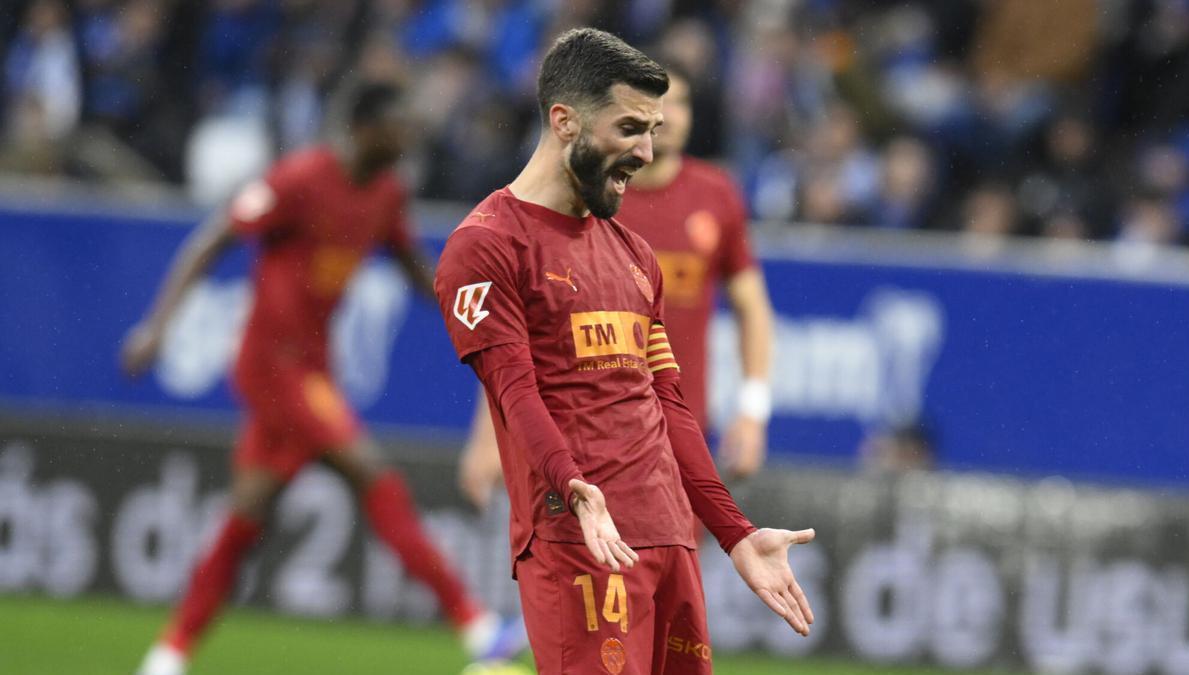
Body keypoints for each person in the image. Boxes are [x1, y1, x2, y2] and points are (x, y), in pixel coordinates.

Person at [434, 29, 815, 675]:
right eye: (632, 128)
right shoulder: (486, 247)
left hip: (669, 539)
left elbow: (669, 404)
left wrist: (734, 531)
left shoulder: (636, 256)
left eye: (655, 128)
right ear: (564, 121)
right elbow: (514, 389)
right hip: (582, 540)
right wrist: (573, 486)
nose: (648, 149)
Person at [119, 82, 523, 675]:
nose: (409, 138)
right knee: (371, 471)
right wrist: (157, 327)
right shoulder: (299, 179)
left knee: (246, 516)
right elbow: (213, 241)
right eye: (398, 126)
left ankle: (168, 654)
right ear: (363, 129)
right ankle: (475, 624)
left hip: (312, 369)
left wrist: (468, 308)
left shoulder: (386, 193)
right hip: (270, 365)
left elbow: (412, 264)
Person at [457, 60, 776, 511]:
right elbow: (518, 327)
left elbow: (753, 308)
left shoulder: (716, 195)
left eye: (682, 103)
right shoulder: (588, 197)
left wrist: (752, 410)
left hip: (678, 433)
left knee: (669, 574)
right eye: (660, 105)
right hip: (583, 438)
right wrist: (489, 434)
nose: (673, 117)